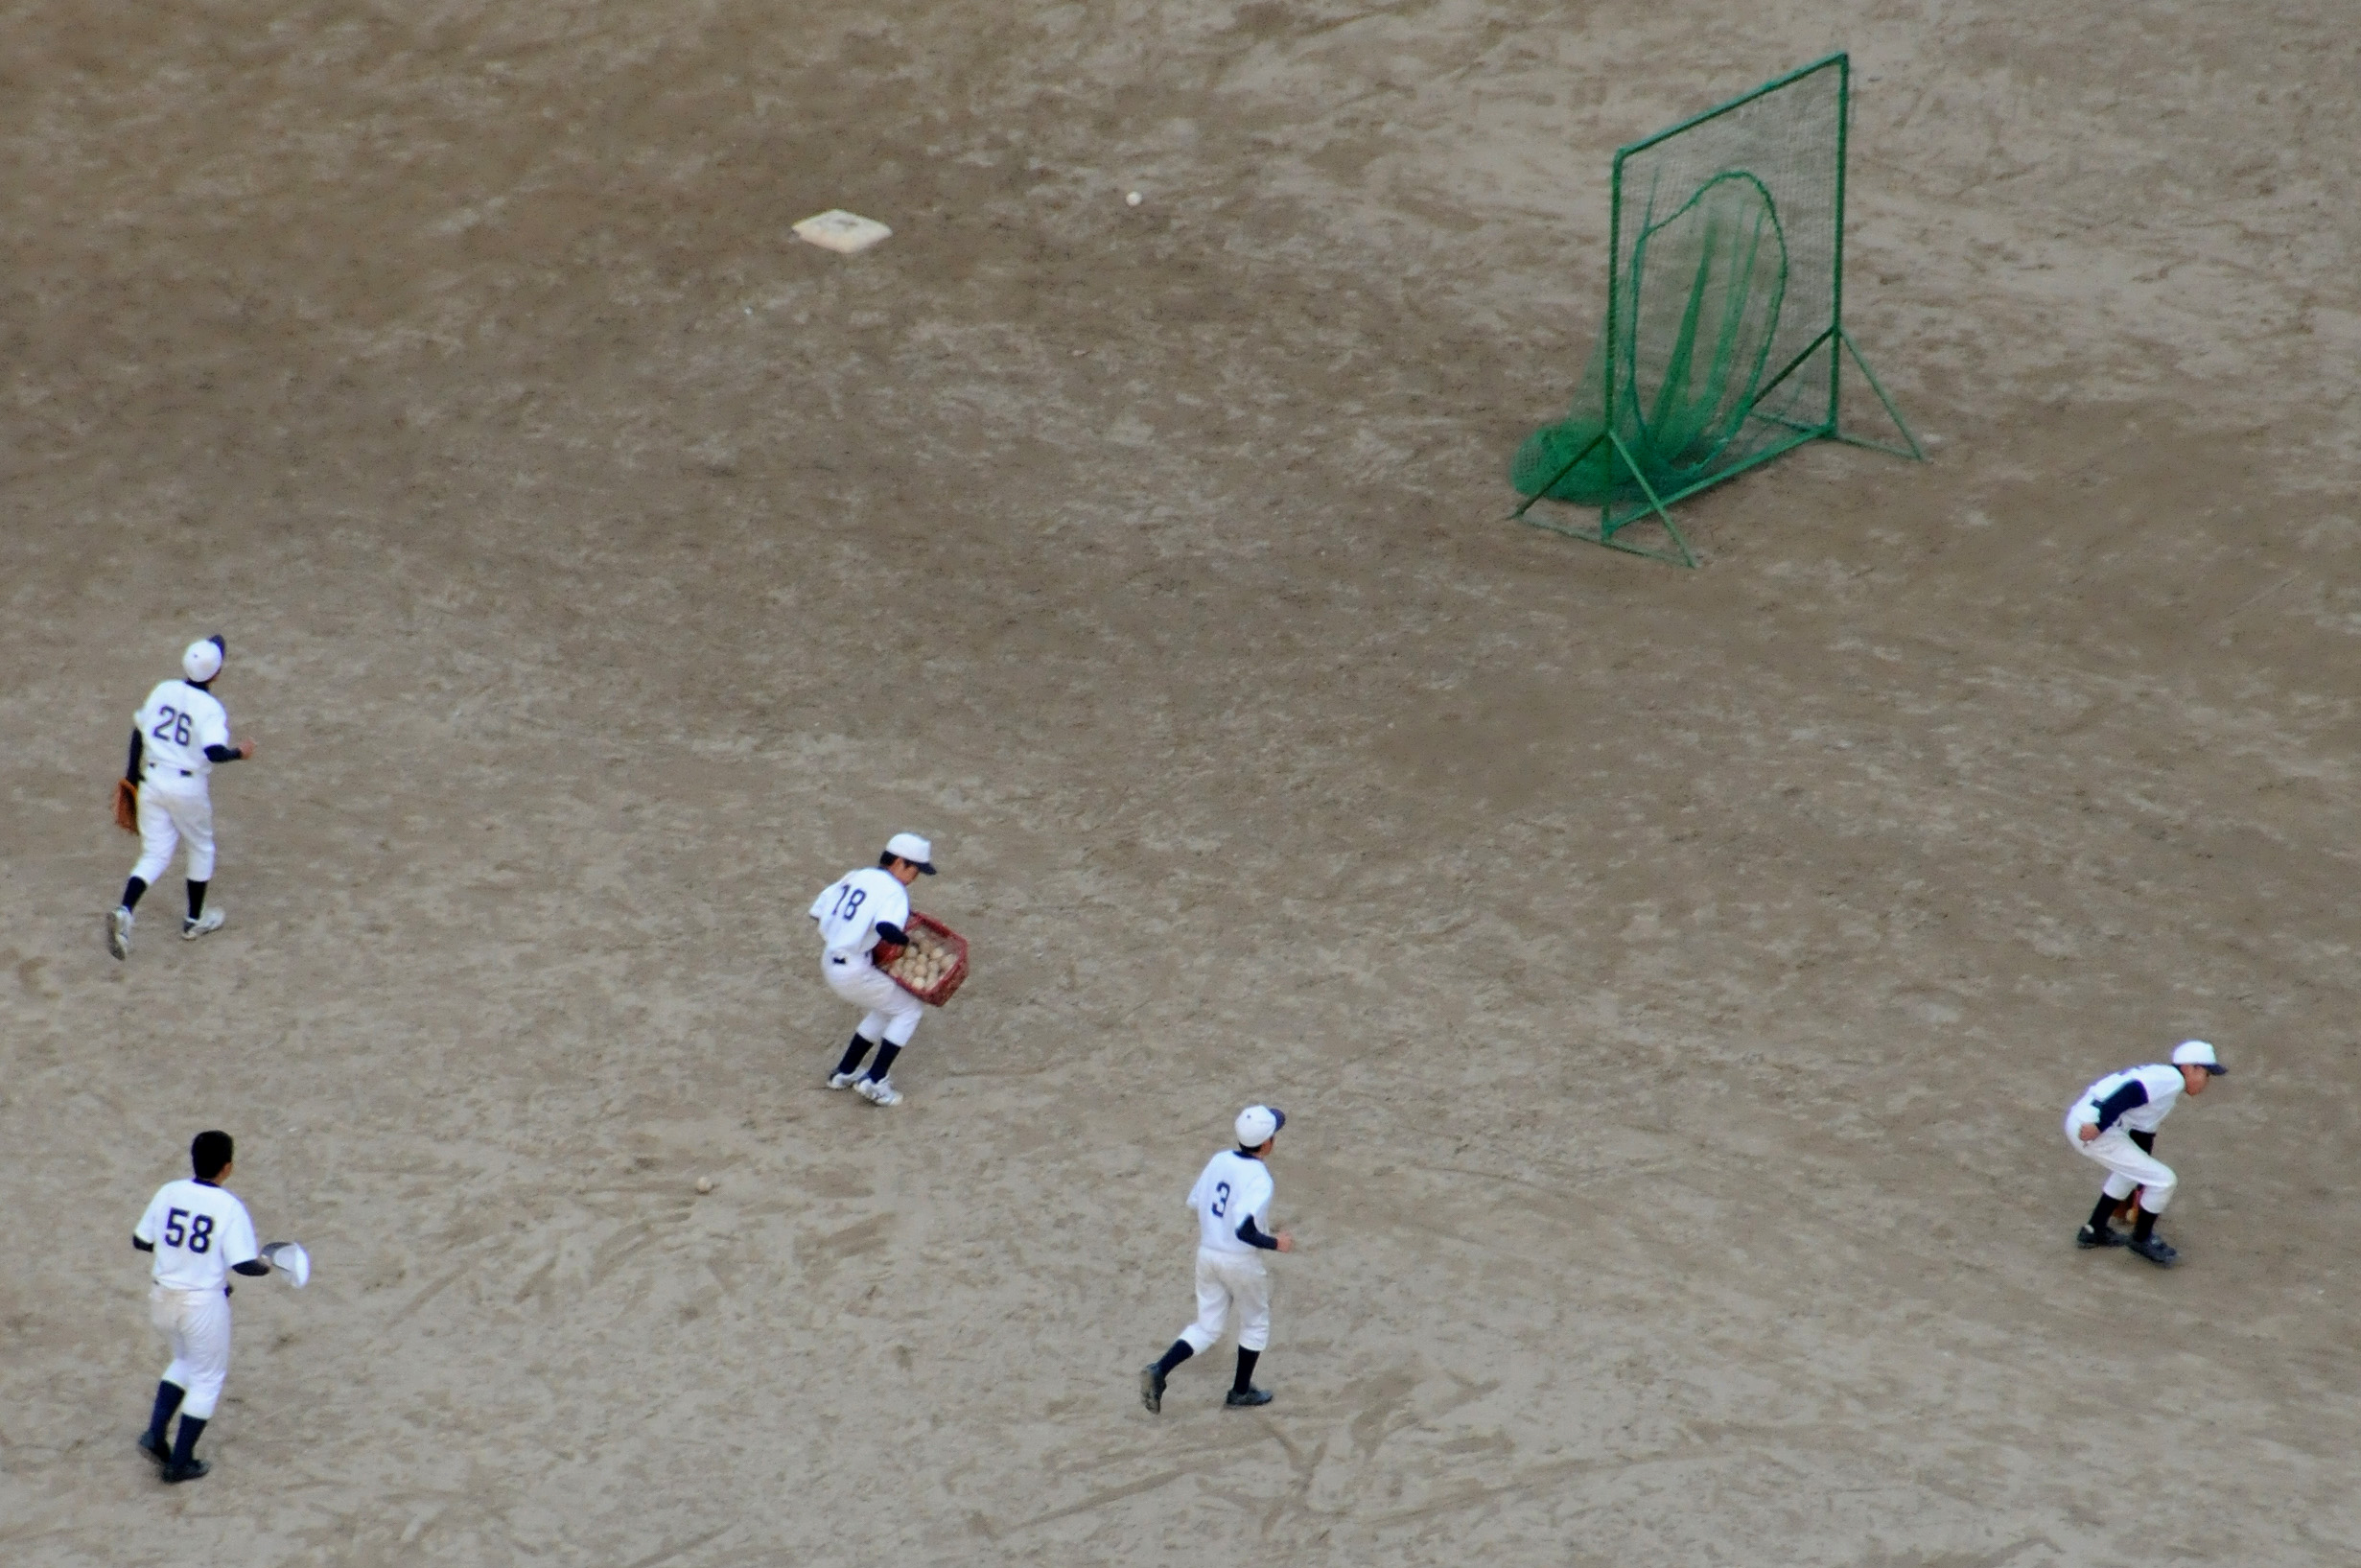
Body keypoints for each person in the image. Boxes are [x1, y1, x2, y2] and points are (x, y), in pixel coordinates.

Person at [107, 636, 258, 959]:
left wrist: (131, 779)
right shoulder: (211, 709)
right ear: (215, 674)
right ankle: (193, 921)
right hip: (187, 789)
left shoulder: (163, 689)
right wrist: (239, 753)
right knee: (201, 846)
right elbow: (214, 752)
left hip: (152, 781)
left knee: (155, 854)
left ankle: (125, 910)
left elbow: (138, 732)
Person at [133, 1132, 269, 1483]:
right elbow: (243, 1264)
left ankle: (154, 1434)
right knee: (207, 1379)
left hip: (162, 1299)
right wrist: (271, 1264)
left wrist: (177, 1259)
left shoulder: (169, 1192)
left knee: (183, 1361)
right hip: (201, 1305)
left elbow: (141, 1240)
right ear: (228, 1168)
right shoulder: (228, 1207)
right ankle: (180, 1463)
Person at [1140, 1105, 1295, 1414]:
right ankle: (1239, 1392)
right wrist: (1275, 1242)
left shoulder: (1220, 1159)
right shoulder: (1260, 1177)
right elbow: (1243, 1230)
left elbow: (1196, 1201)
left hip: (1208, 1256)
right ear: (1266, 1143)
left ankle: (1159, 1370)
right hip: (1240, 1262)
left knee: (1208, 1326)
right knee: (1255, 1324)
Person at [2065, 1040, 2229, 1267]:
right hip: (2092, 1128)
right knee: (2165, 1181)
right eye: (2206, 1075)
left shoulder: (2164, 1083)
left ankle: (2094, 1228)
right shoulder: (2170, 1079)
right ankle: (2141, 1238)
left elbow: (2143, 1137)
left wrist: (2142, 1184)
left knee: (2135, 1171)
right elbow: (2129, 1093)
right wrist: (2099, 1125)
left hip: (2088, 1121)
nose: (2206, 1082)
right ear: (2192, 1068)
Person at [808, 832, 937, 1107]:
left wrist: (849, 931)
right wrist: (904, 941)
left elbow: (818, 911)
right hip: (854, 970)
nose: (915, 877)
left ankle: (844, 1072)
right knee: (909, 1009)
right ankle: (875, 1080)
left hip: (831, 959)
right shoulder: (894, 891)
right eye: (915, 870)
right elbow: (886, 928)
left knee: (885, 1008)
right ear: (901, 863)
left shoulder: (857, 876)